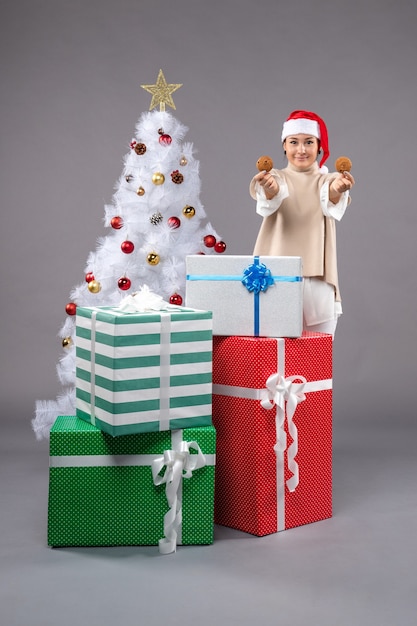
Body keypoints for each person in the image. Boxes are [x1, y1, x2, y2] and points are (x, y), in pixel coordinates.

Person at [250, 110, 355, 338]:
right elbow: (271, 192)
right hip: (275, 276)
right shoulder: (276, 177)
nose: (301, 149)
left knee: (317, 355)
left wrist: (338, 189)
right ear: (284, 146)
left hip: (318, 278)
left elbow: (332, 193)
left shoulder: (327, 180)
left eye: (308, 142)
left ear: (319, 147)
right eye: (294, 142)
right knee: (274, 351)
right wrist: (270, 189)